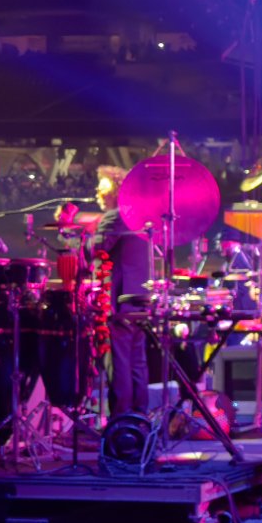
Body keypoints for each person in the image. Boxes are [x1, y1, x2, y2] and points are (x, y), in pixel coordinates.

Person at [91, 165, 153, 417]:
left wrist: (70, 236)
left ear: (116, 191)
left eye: (102, 186)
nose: (97, 192)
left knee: (119, 362)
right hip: (139, 299)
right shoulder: (138, 214)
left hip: (118, 301)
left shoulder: (114, 216)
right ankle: (139, 419)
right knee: (137, 362)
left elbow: (96, 249)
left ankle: (120, 422)